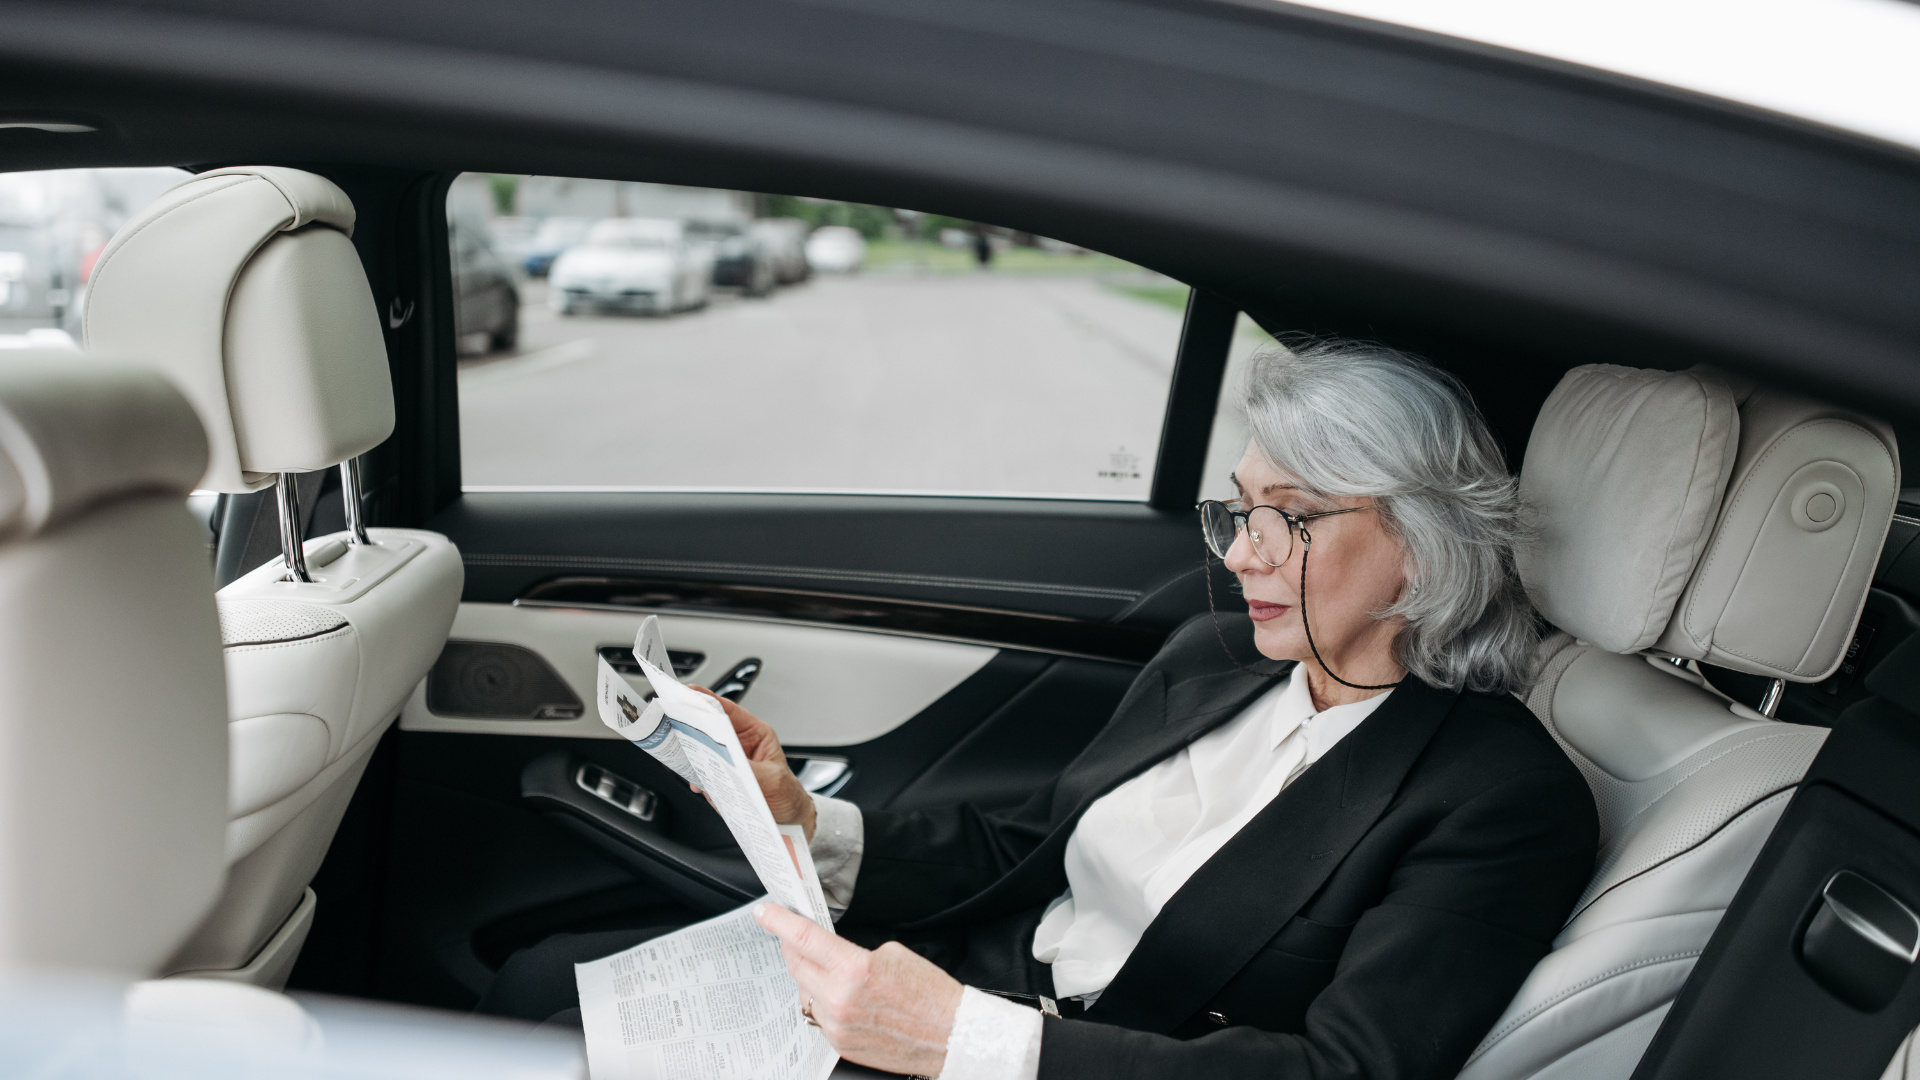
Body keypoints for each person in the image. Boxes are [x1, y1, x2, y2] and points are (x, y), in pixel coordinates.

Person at [480, 340, 1599, 1080]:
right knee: (539, 997)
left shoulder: (1499, 797)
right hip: (960, 979)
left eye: (1293, 519)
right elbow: (1034, 844)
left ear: (1422, 542)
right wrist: (808, 823)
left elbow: (1343, 1073)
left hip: (1048, 1057)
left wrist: (963, 1040)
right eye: (1240, 508)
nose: (1244, 553)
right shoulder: (1217, 657)